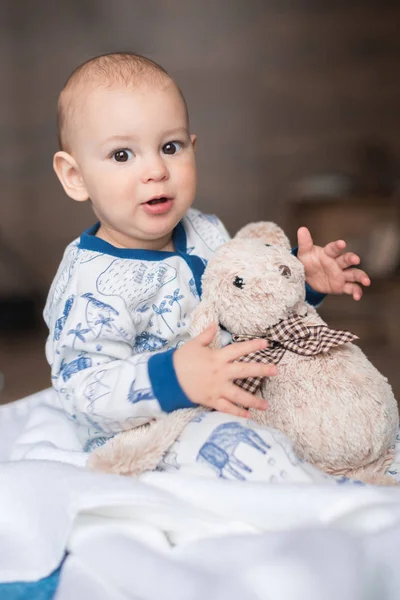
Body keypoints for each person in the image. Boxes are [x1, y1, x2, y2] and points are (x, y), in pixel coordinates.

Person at [45, 52, 370, 446]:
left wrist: (305, 284)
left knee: (341, 412)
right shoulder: (91, 285)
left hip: (246, 391)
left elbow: (249, 309)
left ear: (192, 148)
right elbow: (82, 392)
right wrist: (175, 379)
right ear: (75, 176)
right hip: (161, 428)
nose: (156, 171)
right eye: (122, 155)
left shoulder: (205, 230)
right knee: (253, 455)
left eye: (170, 147)